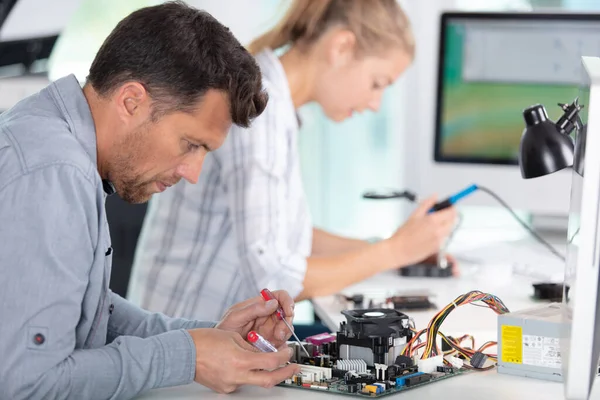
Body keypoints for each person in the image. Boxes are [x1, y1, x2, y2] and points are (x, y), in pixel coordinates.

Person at [0, 3, 301, 399]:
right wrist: (188, 356)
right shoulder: (54, 172)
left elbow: (82, 307)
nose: (192, 173)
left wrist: (208, 339)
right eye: (190, 144)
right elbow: (30, 383)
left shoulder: (55, 138)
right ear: (131, 101)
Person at [129, 0, 458, 322]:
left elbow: (284, 234)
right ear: (341, 47)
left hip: (207, 338)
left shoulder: (279, 108)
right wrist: (394, 251)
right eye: (377, 84)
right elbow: (274, 280)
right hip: (186, 350)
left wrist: (396, 252)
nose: (375, 103)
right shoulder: (260, 109)